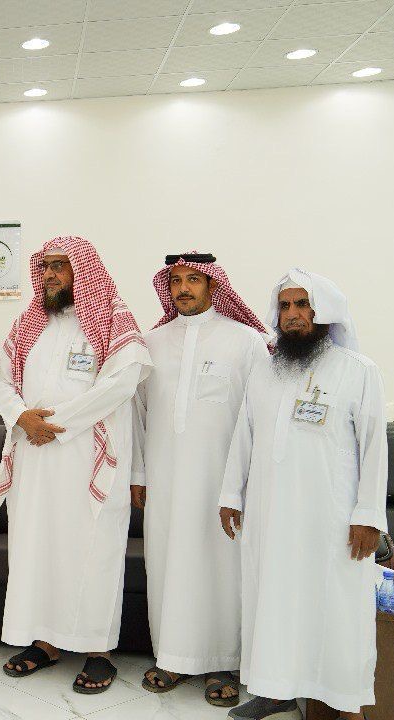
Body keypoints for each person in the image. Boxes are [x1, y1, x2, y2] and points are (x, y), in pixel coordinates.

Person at [219, 269, 386, 720]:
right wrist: (231, 494)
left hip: (331, 519)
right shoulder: (265, 370)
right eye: (285, 306)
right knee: (273, 601)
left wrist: (369, 515)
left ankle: (347, 703)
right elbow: (244, 434)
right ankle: (276, 689)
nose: (292, 314)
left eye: (302, 304)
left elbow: (374, 448)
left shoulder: (358, 371)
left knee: (338, 609)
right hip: (271, 514)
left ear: (323, 311)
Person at [0, 236, 151, 694]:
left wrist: (56, 425)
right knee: (37, 548)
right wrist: (21, 417)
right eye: (45, 267)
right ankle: (44, 642)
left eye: (60, 266)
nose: (50, 275)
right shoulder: (28, 323)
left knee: (92, 553)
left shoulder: (112, 320)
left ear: (83, 270)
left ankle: (98, 652)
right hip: (35, 460)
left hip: (88, 461)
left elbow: (121, 384)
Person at [131, 252, 269, 707]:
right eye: (176, 281)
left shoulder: (245, 341)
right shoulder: (151, 342)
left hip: (223, 480)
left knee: (220, 566)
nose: (184, 288)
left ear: (213, 285)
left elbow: (259, 416)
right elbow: (137, 413)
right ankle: (171, 657)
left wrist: (247, 481)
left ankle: (222, 661)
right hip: (164, 478)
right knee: (167, 562)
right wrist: (138, 473)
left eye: (193, 279)